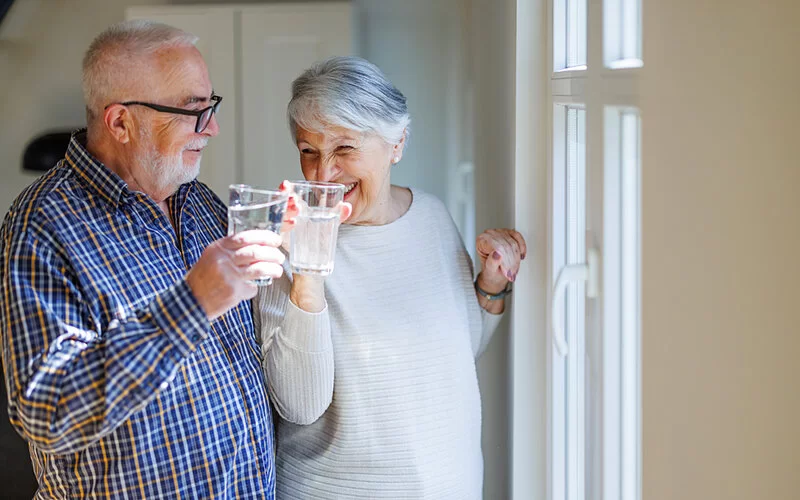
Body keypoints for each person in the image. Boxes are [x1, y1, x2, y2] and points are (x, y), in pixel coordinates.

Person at [0, 20, 285, 498]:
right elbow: (45, 412)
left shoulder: (199, 201)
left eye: (210, 106)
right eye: (193, 110)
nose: (211, 127)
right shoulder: (41, 228)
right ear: (120, 123)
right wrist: (191, 305)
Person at [253, 56, 527, 499]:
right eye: (309, 151)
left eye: (344, 149)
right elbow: (300, 406)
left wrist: (492, 284)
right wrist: (308, 272)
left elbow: (460, 349)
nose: (324, 174)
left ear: (396, 142)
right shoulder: (283, 243)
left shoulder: (432, 218)